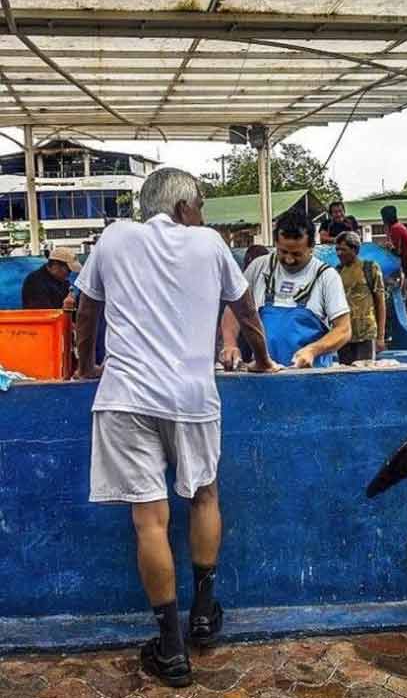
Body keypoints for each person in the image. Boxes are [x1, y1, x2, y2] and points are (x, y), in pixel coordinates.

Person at [74, 168, 278, 688]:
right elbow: (246, 311)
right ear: (185, 206)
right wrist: (261, 359)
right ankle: (204, 616)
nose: (204, 215)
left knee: (150, 520)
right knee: (205, 495)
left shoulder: (114, 238)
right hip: (192, 396)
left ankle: (169, 649)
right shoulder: (209, 244)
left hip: (125, 396)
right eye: (202, 206)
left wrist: (83, 366)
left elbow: (86, 312)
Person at [221, 213, 351, 369]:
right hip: (265, 375)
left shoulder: (326, 276)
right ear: (276, 243)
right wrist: (230, 344)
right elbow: (234, 308)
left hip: (311, 377)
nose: (289, 259)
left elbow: (344, 329)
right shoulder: (259, 267)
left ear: (311, 247)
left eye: (297, 254)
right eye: (283, 252)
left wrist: (313, 350)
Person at [335, 231, 386, 364]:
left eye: (343, 249)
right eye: (337, 249)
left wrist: (380, 336)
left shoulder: (370, 268)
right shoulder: (337, 271)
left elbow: (380, 303)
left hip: (366, 334)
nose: (339, 253)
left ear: (354, 249)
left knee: (365, 374)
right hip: (344, 335)